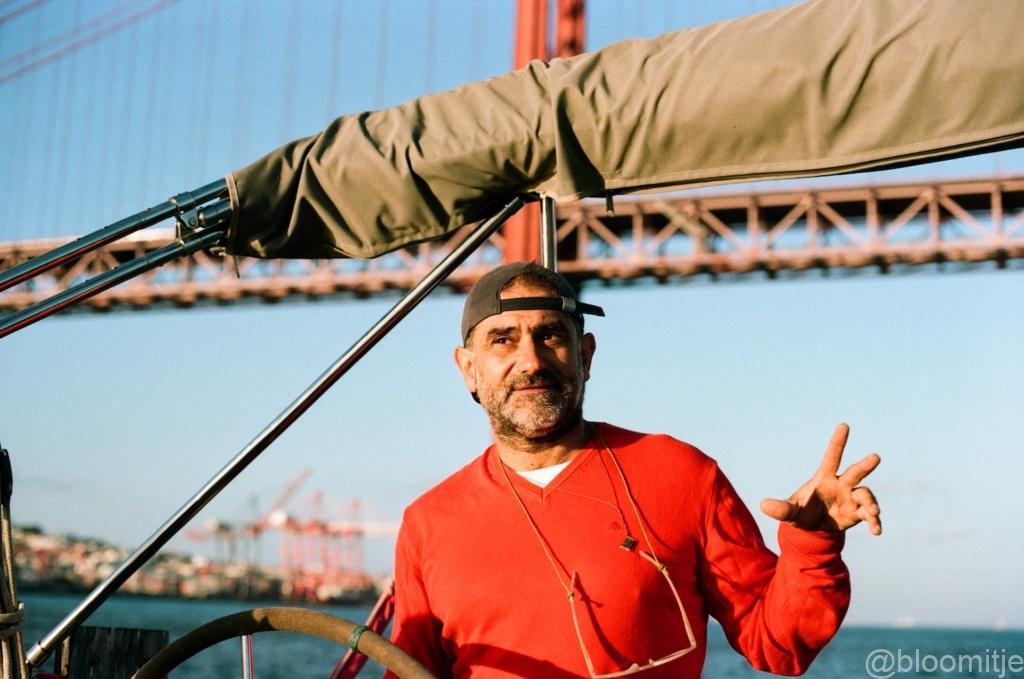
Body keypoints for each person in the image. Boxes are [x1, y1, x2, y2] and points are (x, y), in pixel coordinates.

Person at [384, 262, 882, 678]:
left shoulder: (682, 473)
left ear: (585, 355)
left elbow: (778, 644)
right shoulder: (427, 524)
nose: (531, 361)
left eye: (550, 335)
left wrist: (814, 546)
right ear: (468, 369)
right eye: (503, 340)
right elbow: (408, 669)